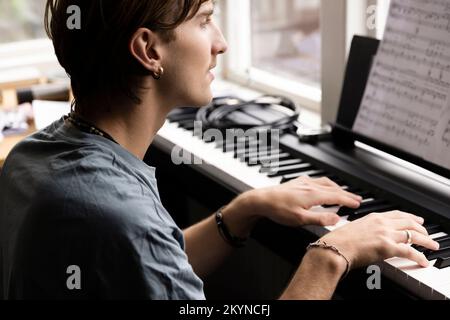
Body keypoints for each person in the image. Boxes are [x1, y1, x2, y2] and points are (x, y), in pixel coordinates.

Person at [0, 0, 439, 300]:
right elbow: (139, 241)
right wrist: (329, 257)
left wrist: (245, 208)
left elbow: (147, 266)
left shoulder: (37, 153)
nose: (221, 42)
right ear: (148, 50)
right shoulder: (118, 212)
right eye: (205, 19)